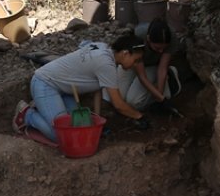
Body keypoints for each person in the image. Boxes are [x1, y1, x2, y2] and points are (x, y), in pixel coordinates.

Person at [14, 33, 150, 142]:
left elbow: (97, 88)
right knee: (61, 136)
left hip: (63, 89)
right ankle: (27, 115)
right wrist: (139, 116)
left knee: (81, 126)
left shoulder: (102, 48)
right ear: (125, 53)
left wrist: (97, 122)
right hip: (45, 84)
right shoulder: (106, 64)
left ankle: (44, 105)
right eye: (136, 60)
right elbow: (119, 104)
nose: (135, 64)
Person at [114, 20, 184, 110]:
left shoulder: (171, 37)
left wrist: (160, 96)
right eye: (157, 48)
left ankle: (169, 81)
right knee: (119, 97)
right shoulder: (138, 36)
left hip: (153, 65)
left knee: (134, 103)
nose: (161, 52)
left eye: (164, 48)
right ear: (148, 39)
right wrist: (161, 99)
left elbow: (162, 68)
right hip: (134, 63)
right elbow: (142, 75)